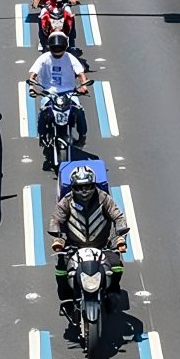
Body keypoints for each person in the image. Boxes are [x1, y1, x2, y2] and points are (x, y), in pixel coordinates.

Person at [49, 165, 128, 299]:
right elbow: (56, 219)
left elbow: (118, 217)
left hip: (101, 247)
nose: (84, 191)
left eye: (88, 186)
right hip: (74, 247)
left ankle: (113, 291)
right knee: (61, 268)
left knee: (116, 265)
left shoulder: (104, 199)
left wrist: (120, 237)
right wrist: (57, 239)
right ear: (73, 187)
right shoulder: (67, 201)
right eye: (80, 187)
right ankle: (66, 298)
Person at [29, 31, 87, 146]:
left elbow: (80, 73)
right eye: (55, 48)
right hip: (49, 92)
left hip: (69, 92)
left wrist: (84, 85)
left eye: (60, 48)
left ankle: (82, 136)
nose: (57, 51)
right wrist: (32, 86)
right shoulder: (44, 58)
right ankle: (42, 135)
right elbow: (33, 73)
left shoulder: (70, 57)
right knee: (43, 112)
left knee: (79, 110)